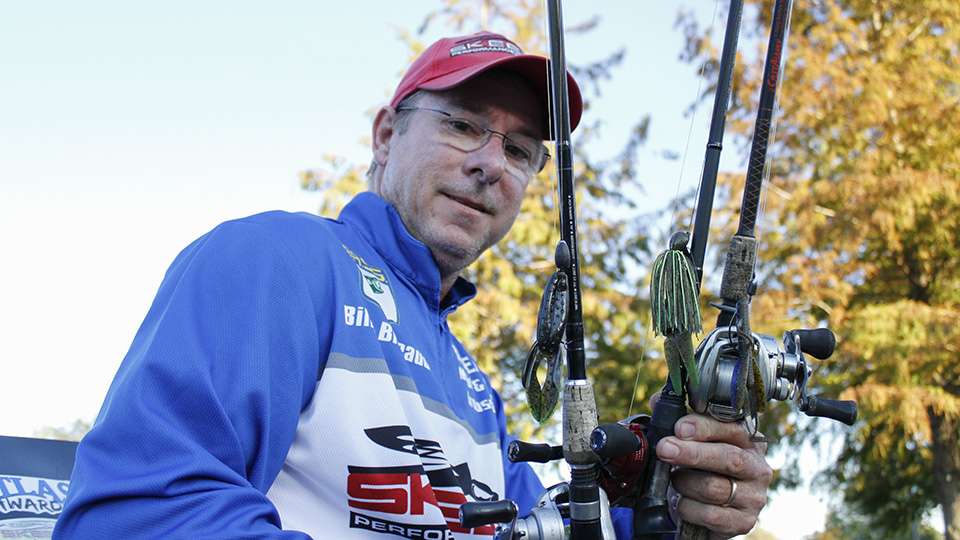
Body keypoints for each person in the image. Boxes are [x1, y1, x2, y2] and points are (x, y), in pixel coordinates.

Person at [54, 32, 772, 539]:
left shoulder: (471, 385)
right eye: (463, 126)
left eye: (521, 150)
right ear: (385, 136)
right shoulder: (280, 258)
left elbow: (546, 524)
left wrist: (673, 504)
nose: (492, 163)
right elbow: (141, 514)